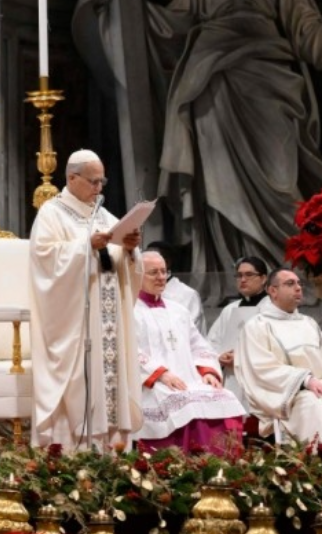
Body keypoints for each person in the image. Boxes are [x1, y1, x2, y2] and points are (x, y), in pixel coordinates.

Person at [77, 0, 322, 301]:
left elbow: (307, 30)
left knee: (281, 181)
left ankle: (287, 278)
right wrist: (113, 7)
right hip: (211, 88)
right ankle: (230, 273)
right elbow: (164, 30)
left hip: (270, 84)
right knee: (219, 185)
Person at [29, 149, 144, 449]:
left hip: (107, 323)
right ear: (71, 178)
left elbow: (123, 265)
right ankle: (73, 454)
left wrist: (130, 250)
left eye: (102, 182)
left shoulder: (104, 215)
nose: (99, 188)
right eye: (93, 182)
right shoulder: (51, 213)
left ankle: (113, 452)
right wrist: (85, 246)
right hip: (75, 324)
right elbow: (44, 259)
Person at [133, 251, 245, 455]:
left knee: (225, 397)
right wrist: (161, 374)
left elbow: (198, 345)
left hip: (189, 379)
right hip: (152, 384)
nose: (160, 277)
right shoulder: (130, 310)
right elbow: (129, 351)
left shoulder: (179, 310)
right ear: (137, 274)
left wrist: (208, 371)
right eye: (153, 273)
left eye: (163, 271)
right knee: (188, 405)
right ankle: (185, 463)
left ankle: (224, 467)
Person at [237, 268, 322, 445]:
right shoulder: (257, 326)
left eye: (299, 283)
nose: (298, 288)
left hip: (321, 387)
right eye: (290, 284)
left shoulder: (308, 323)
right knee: (316, 404)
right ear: (273, 291)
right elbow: (262, 369)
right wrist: (306, 380)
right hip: (289, 395)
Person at [206, 256, 270, 409]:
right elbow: (211, 342)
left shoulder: (271, 310)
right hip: (231, 379)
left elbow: (275, 348)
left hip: (260, 380)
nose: (243, 279)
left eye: (249, 275)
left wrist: (243, 359)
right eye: (239, 275)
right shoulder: (229, 310)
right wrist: (219, 357)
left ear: (263, 278)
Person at [145, 241, 206, 333]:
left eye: (151, 260)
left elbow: (193, 333)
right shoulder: (140, 292)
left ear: (167, 262)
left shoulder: (188, 295)